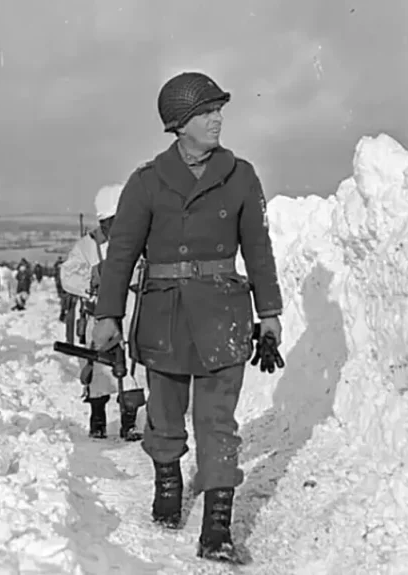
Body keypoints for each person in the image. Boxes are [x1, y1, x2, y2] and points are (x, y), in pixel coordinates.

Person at [89, 71, 283, 564]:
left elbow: (259, 251)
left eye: (218, 110)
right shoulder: (146, 182)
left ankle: (218, 525)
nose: (216, 119)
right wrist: (108, 314)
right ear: (178, 125)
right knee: (165, 411)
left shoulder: (242, 175)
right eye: (204, 113)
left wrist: (271, 314)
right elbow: (122, 255)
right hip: (164, 312)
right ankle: (169, 480)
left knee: (217, 421)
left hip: (224, 311)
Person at [59, 184, 146, 441]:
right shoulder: (87, 246)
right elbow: (68, 276)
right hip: (98, 315)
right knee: (99, 369)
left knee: (132, 369)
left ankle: (128, 423)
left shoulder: (139, 241)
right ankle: (97, 419)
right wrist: (95, 276)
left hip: (131, 314)